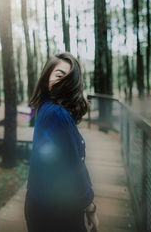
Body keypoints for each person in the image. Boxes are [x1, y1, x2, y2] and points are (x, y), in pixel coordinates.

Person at [24, 52, 99, 232]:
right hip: (56, 213)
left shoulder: (45, 107)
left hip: (39, 203)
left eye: (69, 79)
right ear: (47, 76)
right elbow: (73, 168)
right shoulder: (57, 113)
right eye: (59, 75)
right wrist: (90, 209)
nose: (64, 82)